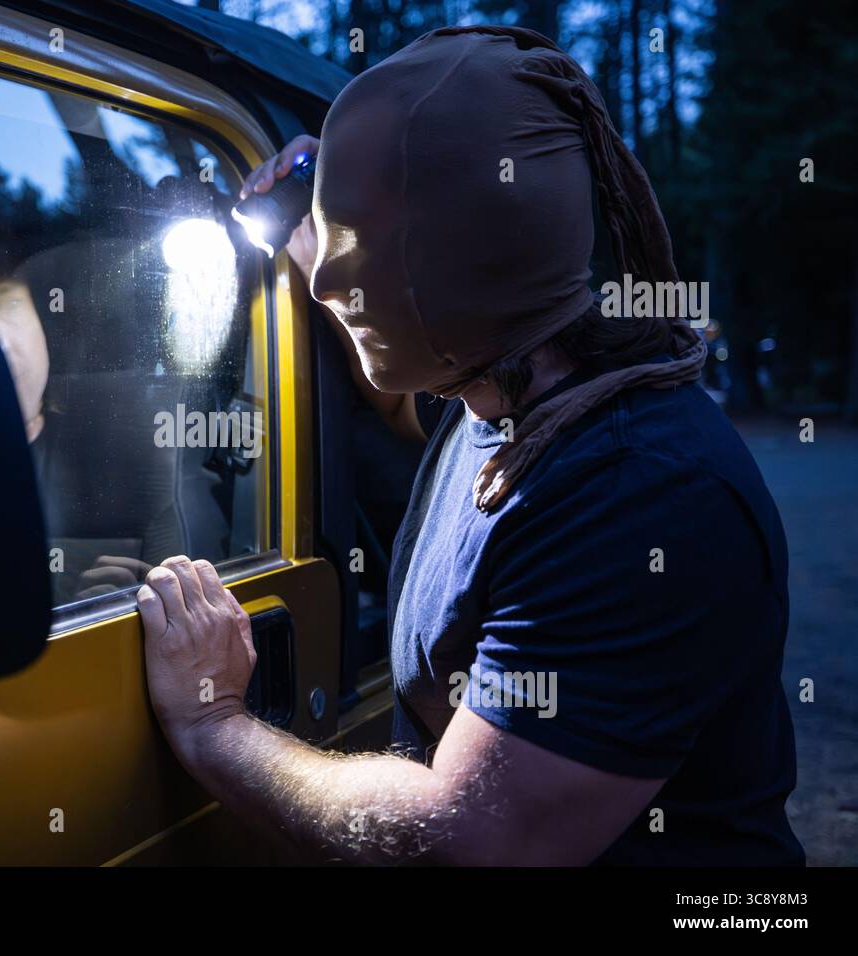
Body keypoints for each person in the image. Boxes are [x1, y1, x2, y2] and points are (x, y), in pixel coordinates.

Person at [135, 25, 803, 865]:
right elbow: (405, 412)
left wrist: (212, 728)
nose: (325, 281)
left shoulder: (642, 495)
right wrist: (343, 197)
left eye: (361, 248)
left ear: (464, 265)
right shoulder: (502, 387)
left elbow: (470, 838)